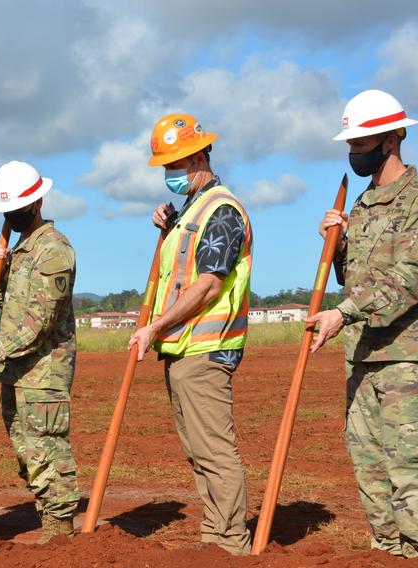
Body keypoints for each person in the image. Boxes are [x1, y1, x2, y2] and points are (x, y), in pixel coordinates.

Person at [307, 89, 418, 558]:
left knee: (412, 472)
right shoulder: (360, 206)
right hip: (360, 356)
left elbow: (409, 280)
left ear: (392, 138)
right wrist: (334, 243)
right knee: (372, 472)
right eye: (351, 145)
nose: (352, 153)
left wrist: (343, 313)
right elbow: (352, 276)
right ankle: (388, 550)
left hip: (407, 361)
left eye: (360, 144)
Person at [128, 114, 253, 555]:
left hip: (208, 348)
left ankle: (231, 543)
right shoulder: (190, 212)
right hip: (183, 350)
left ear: (200, 157)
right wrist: (167, 227)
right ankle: (213, 537)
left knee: (215, 451)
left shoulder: (221, 211)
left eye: (177, 165)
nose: (170, 175)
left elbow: (208, 285)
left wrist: (155, 327)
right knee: (197, 451)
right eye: (166, 167)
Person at [0, 161, 79, 544]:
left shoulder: (53, 251)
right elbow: (11, 306)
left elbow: (40, 321)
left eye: (17, 208)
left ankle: (60, 532)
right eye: (6, 211)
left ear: (38, 201)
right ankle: (50, 522)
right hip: (17, 373)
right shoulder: (20, 250)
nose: (12, 216)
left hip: (43, 374)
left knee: (47, 451)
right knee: (28, 454)